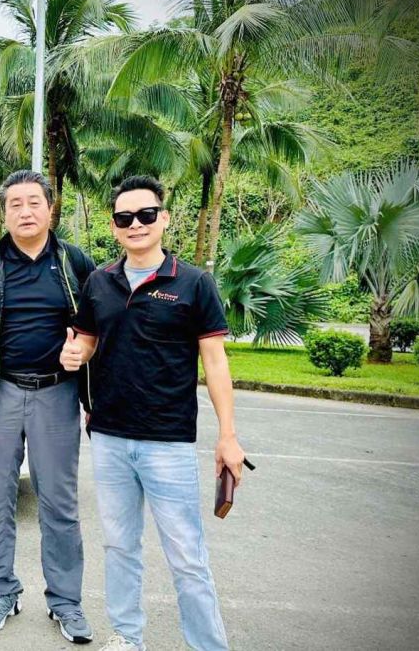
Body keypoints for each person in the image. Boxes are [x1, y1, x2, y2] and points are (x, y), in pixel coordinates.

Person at [60, 175, 246, 651]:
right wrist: (75, 353)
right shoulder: (99, 282)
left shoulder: (194, 283)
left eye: (145, 215)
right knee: (119, 546)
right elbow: (87, 340)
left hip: (169, 441)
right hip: (109, 437)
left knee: (186, 555)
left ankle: (208, 646)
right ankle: (126, 637)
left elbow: (215, 362)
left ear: (164, 219)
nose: (135, 224)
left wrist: (227, 435)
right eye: (125, 217)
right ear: (114, 226)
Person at [0, 170, 97, 644]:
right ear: (4, 212)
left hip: (58, 394)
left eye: (34, 202)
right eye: (15, 203)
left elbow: (99, 329)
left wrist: (95, 395)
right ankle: (0, 592)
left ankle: (65, 601)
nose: (25, 211)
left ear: (51, 209)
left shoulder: (74, 262)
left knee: (59, 504)